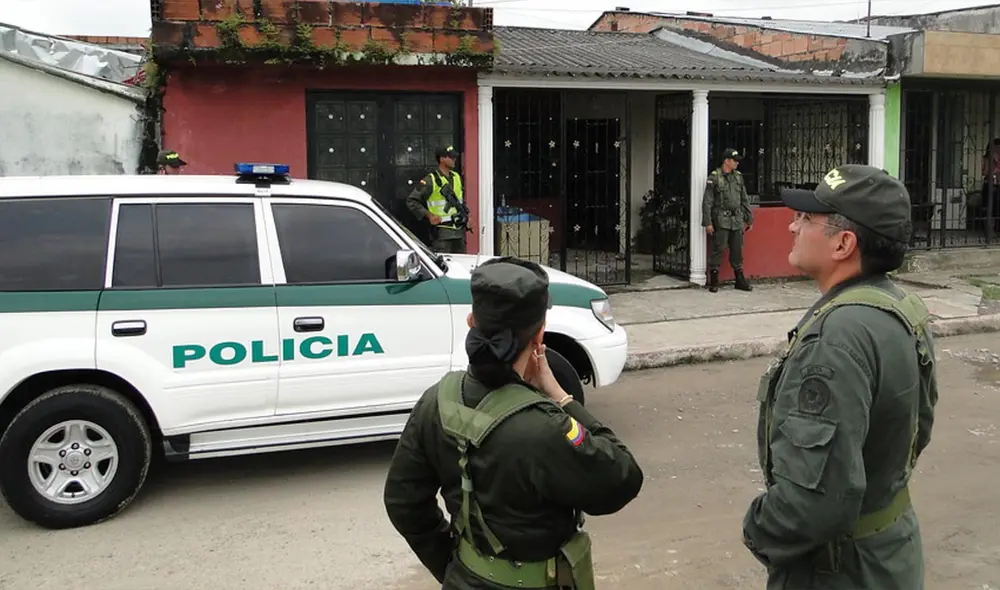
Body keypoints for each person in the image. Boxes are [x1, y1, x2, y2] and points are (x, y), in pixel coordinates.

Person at [383, 256, 644, 590]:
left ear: (471, 321)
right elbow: (624, 478)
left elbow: (403, 502)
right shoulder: (544, 426)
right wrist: (563, 398)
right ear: (539, 337)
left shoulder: (435, 400)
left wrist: (452, 567)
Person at [742, 164, 940, 590]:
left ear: (843, 244)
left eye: (806, 218)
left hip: (840, 570)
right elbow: (918, 430)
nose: (792, 226)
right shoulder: (898, 307)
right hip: (890, 550)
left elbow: (812, 503)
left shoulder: (837, 337)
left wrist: (757, 529)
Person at [702, 148, 754, 293]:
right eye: (734, 160)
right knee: (718, 249)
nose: (737, 163)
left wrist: (749, 218)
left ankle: (739, 280)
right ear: (726, 161)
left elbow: (744, 198)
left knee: (737, 250)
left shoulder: (738, 177)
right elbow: (707, 202)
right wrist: (708, 222)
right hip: (721, 219)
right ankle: (714, 281)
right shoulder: (714, 177)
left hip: (736, 219)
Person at [406, 145, 470, 254]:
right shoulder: (431, 180)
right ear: (442, 159)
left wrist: (468, 217)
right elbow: (412, 201)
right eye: (451, 157)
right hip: (442, 235)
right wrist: (429, 215)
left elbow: (460, 201)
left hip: (459, 233)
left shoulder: (456, 177)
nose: (454, 159)